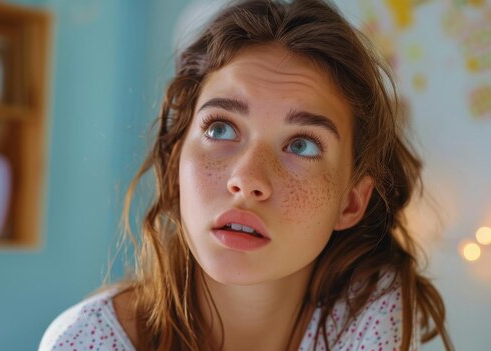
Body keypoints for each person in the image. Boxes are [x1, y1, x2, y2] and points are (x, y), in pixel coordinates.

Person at [39, 0, 454, 350]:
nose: (247, 178)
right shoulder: (86, 340)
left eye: (302, 145)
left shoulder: (370, 313)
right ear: (176, 161)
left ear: (350, 202)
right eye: (220, 129)